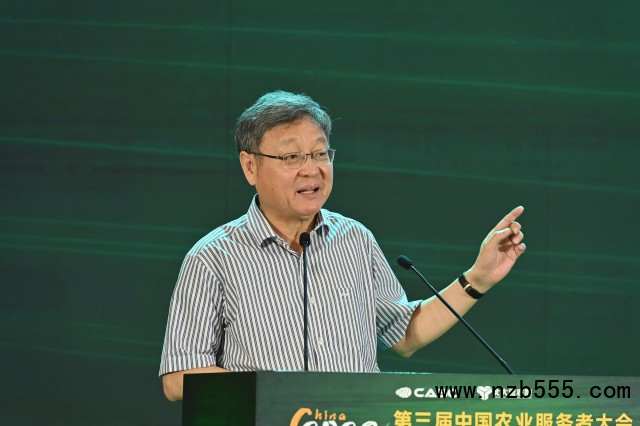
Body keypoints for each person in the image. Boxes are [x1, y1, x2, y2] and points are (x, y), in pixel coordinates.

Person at [159, 90, 526, 401]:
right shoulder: (213, 257)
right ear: (250, 167)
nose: (311, 169)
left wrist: (478, 278)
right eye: (291, 157)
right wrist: (278, 395)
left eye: (320, 153)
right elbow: (178, 378)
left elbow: (404, 335)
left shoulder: (355, 239)